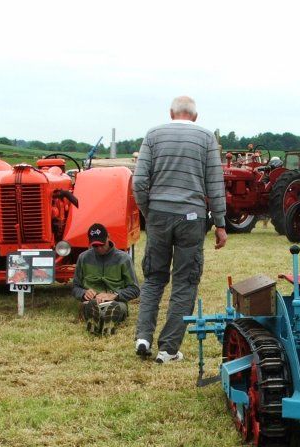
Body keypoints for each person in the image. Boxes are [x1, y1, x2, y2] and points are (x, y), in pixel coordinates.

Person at [132, 96, 227, 363]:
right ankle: (169, 349)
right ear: (195, 116)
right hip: (192, 217)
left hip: (159, 215)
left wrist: (149, 213)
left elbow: (139, 182)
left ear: (171, 112)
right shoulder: (206, 138)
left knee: (153, 278)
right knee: (185, 282)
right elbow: (215, 186)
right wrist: (220, 224)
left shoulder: (153, 135)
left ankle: (143, 337)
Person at [72, 223, 140, 335]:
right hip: (91, 302)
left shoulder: (124, 259)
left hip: (115, 302)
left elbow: (135, 289)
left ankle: (104, 322)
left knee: (116, 307)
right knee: (89, 305)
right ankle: (98, 320)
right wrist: (84, 293)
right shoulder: (83, 258)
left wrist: (115, 295)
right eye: (95, 246)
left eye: (102, 244)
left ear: (108, 237)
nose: (99, 248)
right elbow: (75, 287)